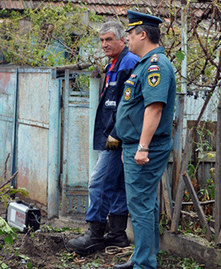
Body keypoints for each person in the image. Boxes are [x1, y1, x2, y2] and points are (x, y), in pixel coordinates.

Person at [67, 21, 139, 256]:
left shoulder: (129, 64)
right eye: (101, 40)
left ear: (122, 40)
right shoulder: (114, 64)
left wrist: (116, 135)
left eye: (109, 39)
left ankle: (95, 235)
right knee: (117, 185)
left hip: (118, 137)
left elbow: (130, 106)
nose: (105, 44)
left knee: (98, 183)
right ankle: (117, 235)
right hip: (112, 135)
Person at [113, 10, 176, 269]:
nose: (127, 38)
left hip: (147, 148)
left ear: (142, 34)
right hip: (135, 146)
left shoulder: (156, 65)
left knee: (139, 205)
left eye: (129, 33)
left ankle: (144, 264)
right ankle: (142, 257)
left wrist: (141, 147)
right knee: (144, 205)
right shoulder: (143, 64)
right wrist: (129, 144)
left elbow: (155, 108)